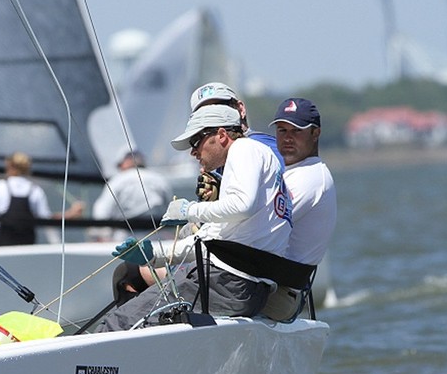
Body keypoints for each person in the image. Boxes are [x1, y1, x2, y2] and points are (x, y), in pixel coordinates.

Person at [95, 104, 292, 331]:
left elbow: (241, 206)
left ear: (221, 135)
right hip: (242, 288)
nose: (193, 152)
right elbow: (215, 238)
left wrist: (189, 210)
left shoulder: (243, 149)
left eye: (195, 141)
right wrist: (155, 254)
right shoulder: (256, 161)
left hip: (226, 284)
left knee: (119, 322)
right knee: (133, 309)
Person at [260, 98, 337, 320]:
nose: (287, 138)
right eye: (282, 130)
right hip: (269, 287)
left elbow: (259, 227)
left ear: (316, 133)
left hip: (278, 295)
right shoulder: (290, 172)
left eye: (296, 131)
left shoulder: (308, 178)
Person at [190, 81, 283, 201]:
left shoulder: (266, 147)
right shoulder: (219, 158)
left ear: (241, 109)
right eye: (202, 114)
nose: (212, 116)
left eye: (219, 108)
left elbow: (289, 202)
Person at [0, 152, 83, 246]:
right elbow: (47, 221)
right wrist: (71, 214)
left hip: (2, 247)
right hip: (27, 247)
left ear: (10, 167)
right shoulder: (36, 190)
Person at [90, 148, 172, 242]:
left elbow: (102, 212)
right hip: (156, 237)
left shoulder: (117, 180)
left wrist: (101, 235)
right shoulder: (159, 179)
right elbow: (170, 209)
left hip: (125, 238)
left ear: (125, 162)